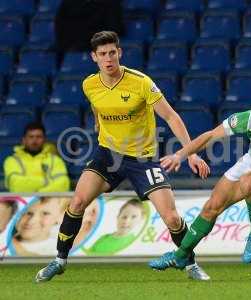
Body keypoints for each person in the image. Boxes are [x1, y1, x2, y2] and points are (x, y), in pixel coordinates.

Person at [35, 31, 210, 283]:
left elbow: (170, 116)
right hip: (108, 154)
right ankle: (60, 260)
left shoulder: (141, 82)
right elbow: (97, 107)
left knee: (171, 217)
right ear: (94, 57)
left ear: (120, 53)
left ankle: (190, 263)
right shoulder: (89, 84)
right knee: (77, 202)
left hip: (143, 159)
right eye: (103, 54)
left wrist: (190, 153)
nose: (109, 59)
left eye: (112, 53)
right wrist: (98, 123)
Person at [148, 97, 251, 272]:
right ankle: (180, 256)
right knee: (212, 207)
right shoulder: (247, 119)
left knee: (248, 181)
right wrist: (180, 155)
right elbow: (210, 136)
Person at [3, 122, 70, 193]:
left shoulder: (55, 160)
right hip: (20, 201)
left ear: (44, 140)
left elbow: (63, 184)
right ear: (24, 140)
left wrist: (38, 196)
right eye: (31, 137)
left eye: (39, 137)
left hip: (49, 201)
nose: (34, 140)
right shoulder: (12, 160)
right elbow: (16, 185)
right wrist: (48, 182)